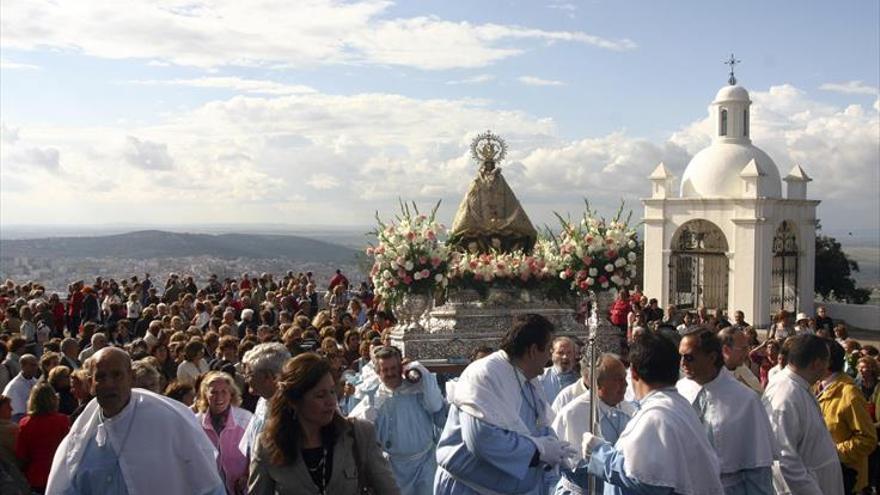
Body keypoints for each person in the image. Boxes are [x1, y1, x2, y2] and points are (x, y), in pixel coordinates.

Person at [45, 347, 226, 494]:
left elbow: (208, 485)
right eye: (101, 377)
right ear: (91, 385)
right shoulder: (82, 436)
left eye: (117, 375)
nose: (109, 383)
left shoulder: (169, 420)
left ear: (131, 378)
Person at [435, 313, 577, 494]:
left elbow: (537, 422)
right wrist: (537, 451)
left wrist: (556, 449)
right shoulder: (485, 375)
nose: (549, 357)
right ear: (533, 350)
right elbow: (480, 438)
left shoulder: (527, 377)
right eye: (548, 349)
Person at [579, 331, 723, 495]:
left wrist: (599, 453)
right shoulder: (678, 405)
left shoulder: (656, 416)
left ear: (633, 373)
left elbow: (648, 480)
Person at [248, 353, 400, 494]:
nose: (331, 402)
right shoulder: (268, 446)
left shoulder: (359, 433)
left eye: (332, 392)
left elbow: (389, 490)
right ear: (294, 401)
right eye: (320, 395)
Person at [676, 330, 776, 494]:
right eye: (680, 356)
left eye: (689, 357)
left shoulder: (746, 400)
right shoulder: (679, 390)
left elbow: (758, 466)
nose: (682, 363)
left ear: (712, 357)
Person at [349, 346, 446, 495]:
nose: (390, 373)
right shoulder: (373, 396)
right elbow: (358, 429)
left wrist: (419, 370)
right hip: (392, 468)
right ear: (377, 372)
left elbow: (436, 405)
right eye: (385, 369)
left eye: (393, 368)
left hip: (423, 465)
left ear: (401, 367)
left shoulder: (417, 389)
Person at [763, 334, 844, 495]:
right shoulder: (785, 395)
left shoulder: (800, 386)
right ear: (817, 364)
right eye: (827, 361)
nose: (828, 367)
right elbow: (782, 459)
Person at [552, 354, 636, 494]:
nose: (625, 384)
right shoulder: (574, 413)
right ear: (598, 383)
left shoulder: (629, 410)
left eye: (625, 378)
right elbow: (572, 465)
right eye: (618, 379)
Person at [817, 340, 877, 494]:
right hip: (823, 475)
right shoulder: (817, 386)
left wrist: (832, 453)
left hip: (846, 479)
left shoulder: (849, 394)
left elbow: (867, 439)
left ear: (826, 362)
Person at [196, 371, 254, 495]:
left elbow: (255, 454)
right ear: (205, 394)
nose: (219, 397)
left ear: (231, 394)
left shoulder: (246, 419)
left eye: (224, 392)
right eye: (214, 392)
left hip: (241, 489)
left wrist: (248, 475)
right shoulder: (196, 423)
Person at [238, 343, 291, 458]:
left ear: (269, 376)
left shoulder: (294, 408)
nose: (246, 380)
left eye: (249, 375)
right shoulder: (262, 401)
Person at [15, 383, 70, 493]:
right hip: (59, 475)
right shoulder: (63, 421)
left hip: (35, 478)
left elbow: (21, 456)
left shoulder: (25, 424)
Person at [717, 327, 763, 394]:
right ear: (726, 350)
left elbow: (759, 394)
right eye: (743, 348)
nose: (747, 352)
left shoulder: (741, 368)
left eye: (747, 347)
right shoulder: (712, 376)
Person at [0, 394, 30, 495]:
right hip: (14, 473)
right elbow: (24, 453)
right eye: (8, 407)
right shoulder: (12, 429)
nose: (12, 409)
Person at [539, 336, 579, 404]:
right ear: (552, 354)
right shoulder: (540, 378)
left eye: (569, 353)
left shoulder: (579, 380)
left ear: (574, 355)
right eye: (560, 353)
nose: (565, 357)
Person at [2, 354, 39, 422]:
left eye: (36, 365)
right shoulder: (14, 386)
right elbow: (17, 414)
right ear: (22, 366)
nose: (35, 368)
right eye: (32, 365)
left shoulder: (36, 382)